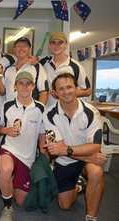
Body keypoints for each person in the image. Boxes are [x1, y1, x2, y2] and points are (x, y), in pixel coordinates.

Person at [43, 73, 106, 221]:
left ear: (76, 88)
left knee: (96, 172)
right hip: (65, 160)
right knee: (64, 205)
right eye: (61, 89)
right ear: (55, 93)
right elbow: (56, 150)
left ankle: (91, 217)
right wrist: (84, 155)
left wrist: (68, 150)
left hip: (85, 158)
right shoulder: (48, 115)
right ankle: (80, 186)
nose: (66, 92)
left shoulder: (91, 112)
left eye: (69, 87)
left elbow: (95, 146)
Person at [0, 71, 46, 221]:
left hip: (28, 157)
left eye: (28, 83)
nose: (24, 87)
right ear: (15, 86)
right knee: (5, 169)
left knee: (22, 201)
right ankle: (7, 208)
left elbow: (42, 135)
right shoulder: (7, 105)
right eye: (21, 83)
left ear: (32, 86)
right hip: (9, 149)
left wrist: (44, 158)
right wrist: (5, 130)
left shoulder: (40, 108)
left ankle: (9, 182)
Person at [39, 32, 91, 107]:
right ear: (49, 45)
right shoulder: (43, 63)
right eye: (53, 43)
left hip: (70, 111)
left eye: (60, 42)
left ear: (66, 45)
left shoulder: (75, 66)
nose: (56, 46)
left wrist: (65, 94)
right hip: (49, 111)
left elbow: (88, 91)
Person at [0, 37, 49, 105]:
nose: (21, 48)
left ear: (29, 49)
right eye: (18, 46)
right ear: (14, 49)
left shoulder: (37, 67)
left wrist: (40, 111)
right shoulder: (8, 69)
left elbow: (44, 92)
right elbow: (2, 92)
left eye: (24, 46)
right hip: (10, 111)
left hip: (30, 111)